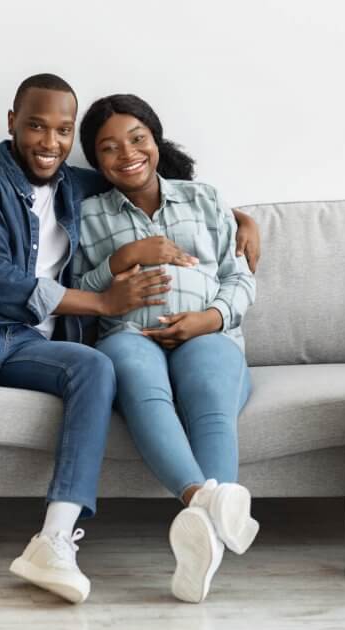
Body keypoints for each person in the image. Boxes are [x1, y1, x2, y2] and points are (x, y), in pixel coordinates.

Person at [0, 74, 261, 605]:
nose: (49, 142)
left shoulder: (76, 184)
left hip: (27, 343)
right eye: (36, 126)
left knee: (94, 365)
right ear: (12, 123)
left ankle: (55, 539)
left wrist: (241, 218)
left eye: (62, 130)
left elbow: (156, 186)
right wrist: (104, 303)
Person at [74, 94, 257, 603]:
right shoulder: (87, 214)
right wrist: (123, 259)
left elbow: (237, 276)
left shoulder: (203, 198)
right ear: (95, 161)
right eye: (108, 148)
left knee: (209, 400)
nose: (127, 153)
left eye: (137, 139)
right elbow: (76, 287)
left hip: (208, 334)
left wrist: (210, 318)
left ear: (155, 140)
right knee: (138, 380)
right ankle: (210, 504)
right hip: (129, 336)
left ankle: (202, 537)